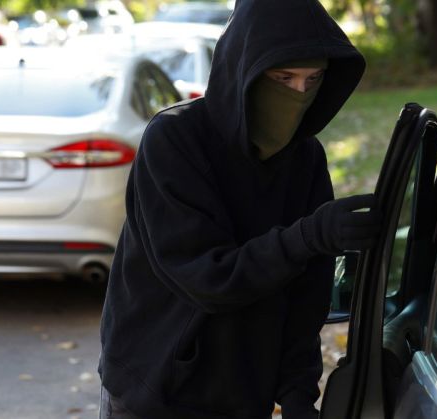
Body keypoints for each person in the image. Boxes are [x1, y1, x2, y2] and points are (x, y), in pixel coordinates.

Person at [97, 0, 379, 417]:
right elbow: (207, 278)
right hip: (154, 390)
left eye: (313, 79)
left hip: (246, 396)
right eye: (283, 78)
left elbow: (306, 293)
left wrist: (298, 392)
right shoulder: (174, 142)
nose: (298, 94)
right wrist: (308, 236)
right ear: (244, 70)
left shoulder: (305, 159)